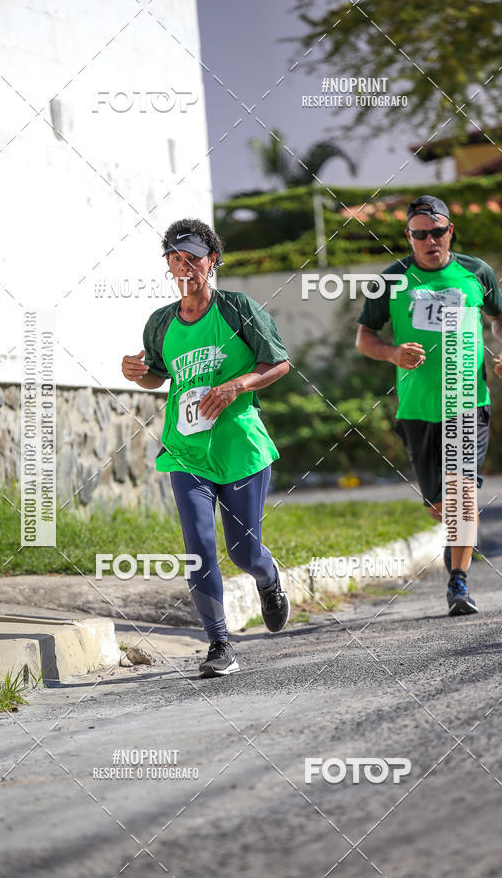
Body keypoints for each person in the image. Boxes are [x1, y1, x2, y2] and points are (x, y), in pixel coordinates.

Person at [121, 218, 291, 676]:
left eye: (193, 257)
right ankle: (219, 645)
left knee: (243, 552)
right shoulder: (160, 323)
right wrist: (138, 373)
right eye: (176, 259)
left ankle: (269, 578)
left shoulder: (238, 309)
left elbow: (278, 363)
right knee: (198, 547)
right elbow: (159, 373)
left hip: (240, 450)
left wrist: (237, 385)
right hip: (186, 451)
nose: (185, 266)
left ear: (211, 261)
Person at [356, 195, 502, 615]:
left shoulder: (475, 272)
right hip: (417, 409)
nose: (430, 240)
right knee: (441, 505)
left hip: (468, 402)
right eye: (420, 234)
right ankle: (456, 550)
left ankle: (458, 583)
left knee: (463, 494)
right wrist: (393, 354)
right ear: (409, 237)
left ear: (451, 231)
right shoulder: (391, 280)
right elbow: (364, 339)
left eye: (437, 231)